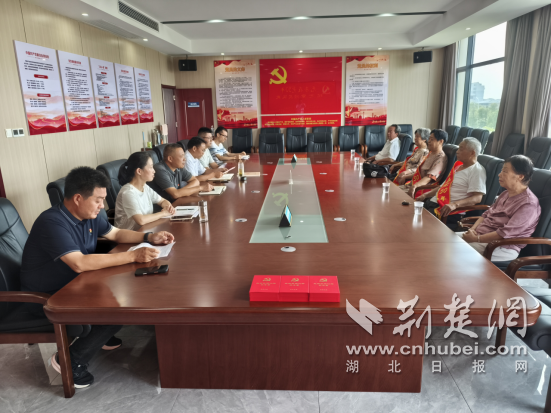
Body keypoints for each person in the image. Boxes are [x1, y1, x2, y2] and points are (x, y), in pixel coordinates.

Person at [20, 166, 174, 388]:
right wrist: (133, 256)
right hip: (47, 296)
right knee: (118, 308)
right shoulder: (52, 222)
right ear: (78, 198)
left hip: (74, 283)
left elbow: (115, 233)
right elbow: (79, 263)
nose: (102, 205)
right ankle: (71, 360)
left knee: (124, 288)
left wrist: (149, 237)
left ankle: (99, 332)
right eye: (98, 200)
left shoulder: (89, 214)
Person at [460, 155, 540, 261]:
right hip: (480, 236)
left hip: (501, 246)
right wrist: (472, 230)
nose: (499, 174)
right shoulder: (505, 194)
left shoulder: (528, 204)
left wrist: (477, 239)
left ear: (520, 176)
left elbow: (505, 233)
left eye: (505, 171)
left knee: (454, 249)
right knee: (444, 239)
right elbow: (486, 214)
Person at [416, 137, 486, 229]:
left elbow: (477, 198)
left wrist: (455, 204)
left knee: (417, 224)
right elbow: (443, 187)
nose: (457, 151)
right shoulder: (457, 166)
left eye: (461, 149)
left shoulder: (477, 170)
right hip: (434, 202)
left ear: (472, 153)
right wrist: (425, 195)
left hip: (448, 211)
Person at [115, 152, 175, 230]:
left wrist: (168, 207)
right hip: (131, 234)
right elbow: (141, 220)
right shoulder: (128, 192)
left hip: (147, 229)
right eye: (151, 167)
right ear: (139, 171)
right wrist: (163, 213)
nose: (154, 171)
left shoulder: (145, 187)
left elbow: (162, 201)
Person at [149, 143, 213, 205]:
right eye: (181, 156)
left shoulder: (178, 167)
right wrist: (200, 188)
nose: (184, 159)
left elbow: (195, 181)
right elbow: (175, 194)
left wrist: (181, 192)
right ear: (170, 159)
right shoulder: (160, 170)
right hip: (163, 208)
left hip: (175, 203)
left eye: (184, 155)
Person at [402, 129, 448, 197]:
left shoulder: (440, 158)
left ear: (441, 141)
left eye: (432, 139)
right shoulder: (430, 153)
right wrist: (406, 177)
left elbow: (429, 178)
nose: (428, 141)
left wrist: (414, 186)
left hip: (422, 189)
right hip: (414, 184)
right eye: (429, 138)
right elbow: (420, 173)